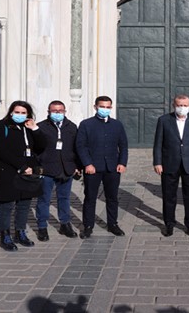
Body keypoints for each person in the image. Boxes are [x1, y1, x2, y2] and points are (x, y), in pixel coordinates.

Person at [0, 101, 46, 251]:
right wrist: (21, 166)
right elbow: (1, 150)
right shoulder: (2, 127)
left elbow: (41, 146)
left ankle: (20, 231)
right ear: (11, 112)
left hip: (28, 171)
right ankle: (4, 234)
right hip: (9, 171)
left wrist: (35, 129)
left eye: (24, 113)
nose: (20, 115)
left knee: (24, 204)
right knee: (7, 205)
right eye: (17, 112)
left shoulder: (28, 127)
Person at [153, 95, 189, 238]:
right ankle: (169, 224)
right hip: (169, 163)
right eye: (179, 105)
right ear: (173, 105)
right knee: (169, 196)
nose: (182, 107)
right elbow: (158, 143)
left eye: (184, 105)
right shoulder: (164, 120)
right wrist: (157, 162)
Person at [76, 96, 129, 239]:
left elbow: (123, 145)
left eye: (107, 107)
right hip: (92, 168)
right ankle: (88, 226)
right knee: (90, 197)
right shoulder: (86, 124)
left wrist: (122, 163)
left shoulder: (117, 125)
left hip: (112, 167)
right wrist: (87, 163)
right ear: (95, 107)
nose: (105, 109)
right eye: (102, 107)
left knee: (112, 197)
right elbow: (81, 146)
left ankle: (113, 224)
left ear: (111, 108)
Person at [35, 100, 81, 241]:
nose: (57, 113)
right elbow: (36, 148)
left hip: (66, 169)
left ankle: (65, 224)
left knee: (64, 198)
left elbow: (77, 148)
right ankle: (42, 227)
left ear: (64, 111)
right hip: (47, 169)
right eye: (54, 111)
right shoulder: (41, 127)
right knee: (44, 199)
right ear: (48, 112)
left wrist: (78, 166)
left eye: (60, 110)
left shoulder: (71, 127)